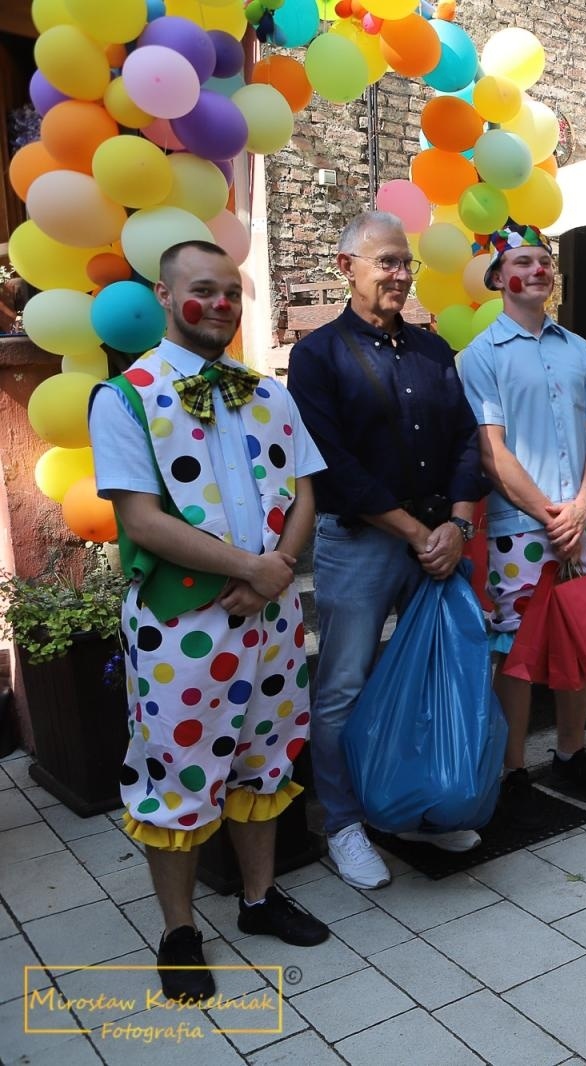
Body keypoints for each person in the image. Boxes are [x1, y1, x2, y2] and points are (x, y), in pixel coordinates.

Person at [89, 240, 330, 1002]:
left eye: (231, 292)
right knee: (177, 775)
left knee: (266, 760)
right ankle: (179, 929)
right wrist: (250, 570)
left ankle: (258, 902)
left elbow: (305, 495)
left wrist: (275, 573)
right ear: (163, 296)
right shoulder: (124, 396)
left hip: (274, 614)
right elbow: (142, 520)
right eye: (203, 291)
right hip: (182, 627)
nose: (220, 304)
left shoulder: (269, 392)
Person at [286, 210, 488, 890]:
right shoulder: (317, 357)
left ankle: (413, 807)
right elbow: (331, 465)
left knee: (431, 675)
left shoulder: (434, 351)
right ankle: (344, 823)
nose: (402, 274)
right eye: (387, 263)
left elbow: (467, 440)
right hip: (363, 543)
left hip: (439, 541)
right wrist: (415, 532)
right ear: (347, 267)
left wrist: (458, 523)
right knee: (342, 687)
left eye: (407, 263)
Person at [458, 223, 586, 819]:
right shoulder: (479, 356)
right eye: (524, 261)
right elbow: (490, 450)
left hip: (584, 518)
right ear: (499, 278)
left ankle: (572, 752)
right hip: (519, 527)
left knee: (585, 633)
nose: (538, 270)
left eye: (546, 261)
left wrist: (580, 506)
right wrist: (548, 513)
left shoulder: (578, 349)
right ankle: (512, 770)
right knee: (515, 647)